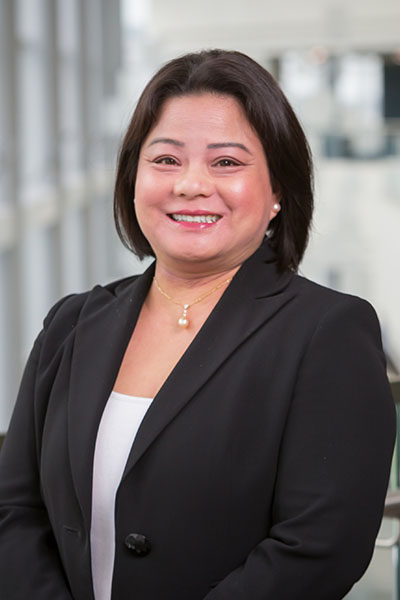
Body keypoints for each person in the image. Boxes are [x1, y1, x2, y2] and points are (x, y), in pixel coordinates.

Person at [0, 49, 395, 600]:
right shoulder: (72, 324)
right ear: (133, 178)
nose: (190, 185)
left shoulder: (327, 332)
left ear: (278, 190)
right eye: (165, 160)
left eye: (227, 163)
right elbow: (14, 511)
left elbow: (318, 547)